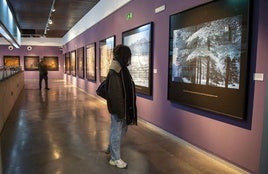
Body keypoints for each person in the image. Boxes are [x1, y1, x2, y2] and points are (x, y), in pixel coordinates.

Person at [105, 44, 137, 169]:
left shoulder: (121, 68)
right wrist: (120, 112)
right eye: (128, 56)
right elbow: (115, 94)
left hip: (123, 107)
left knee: (121, 129)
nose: (129, 59)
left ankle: (111, 147)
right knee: (117, 131)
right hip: (119, 109)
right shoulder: (116, 70)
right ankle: (115, 158)